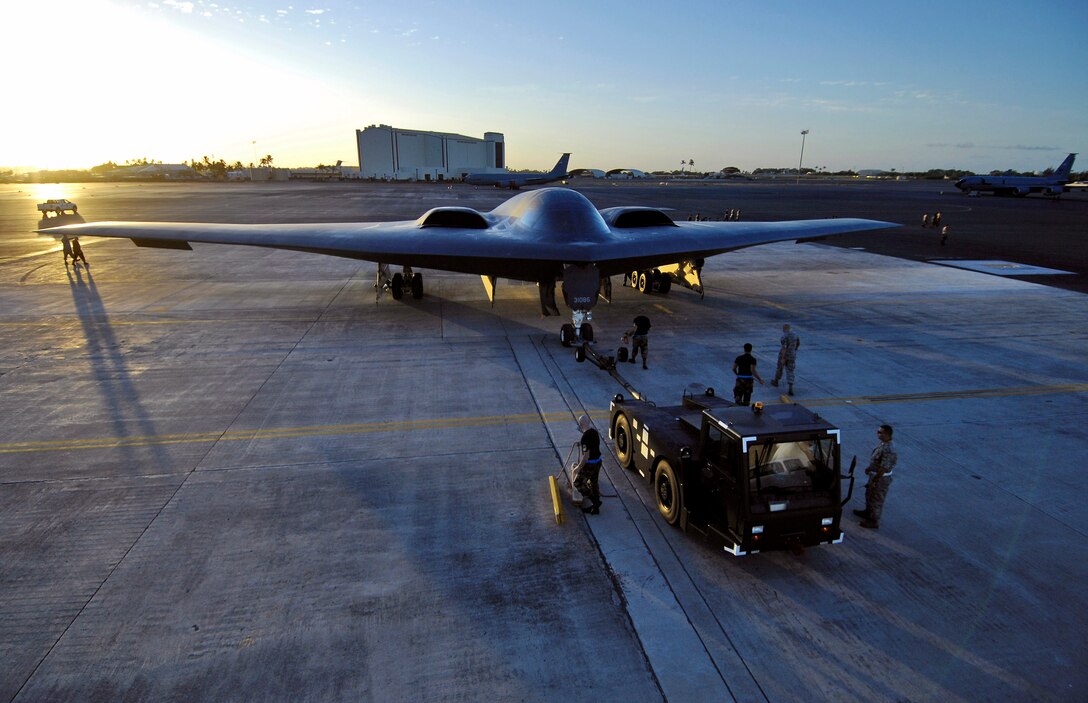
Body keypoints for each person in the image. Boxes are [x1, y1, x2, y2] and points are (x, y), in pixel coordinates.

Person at [854, 424, 897, 529]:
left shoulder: (889, 449)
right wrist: (870, 469)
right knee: (869, 495)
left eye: (880, 432)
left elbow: (883, 468)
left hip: (881, 478)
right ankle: (868, 512)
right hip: (875, 475)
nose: (877, 434)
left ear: (886, 434)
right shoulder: (883, 444)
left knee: (876, 499)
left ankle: (873, 521)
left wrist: (875, 480)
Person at [571, 414, 603, 515]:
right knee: (594, 482)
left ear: (580, 425)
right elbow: (593, 446)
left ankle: (595, 502)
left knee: (578, 483)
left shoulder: (584, 438)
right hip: (598, 461)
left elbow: (586, 456)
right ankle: (595, 509)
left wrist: (578, 467)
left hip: (590, 465)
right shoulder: (595, 432)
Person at [771, 324, 800, 394]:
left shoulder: (785, 336)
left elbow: (784, 347)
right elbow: (798, 344)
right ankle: (790, 386)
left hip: (784, 355)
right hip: (792, 355)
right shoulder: (795, 335)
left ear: (784, 329)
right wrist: (794, 350)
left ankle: (776, 381)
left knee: (780, 368)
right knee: (790, 370)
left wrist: (783, 357)